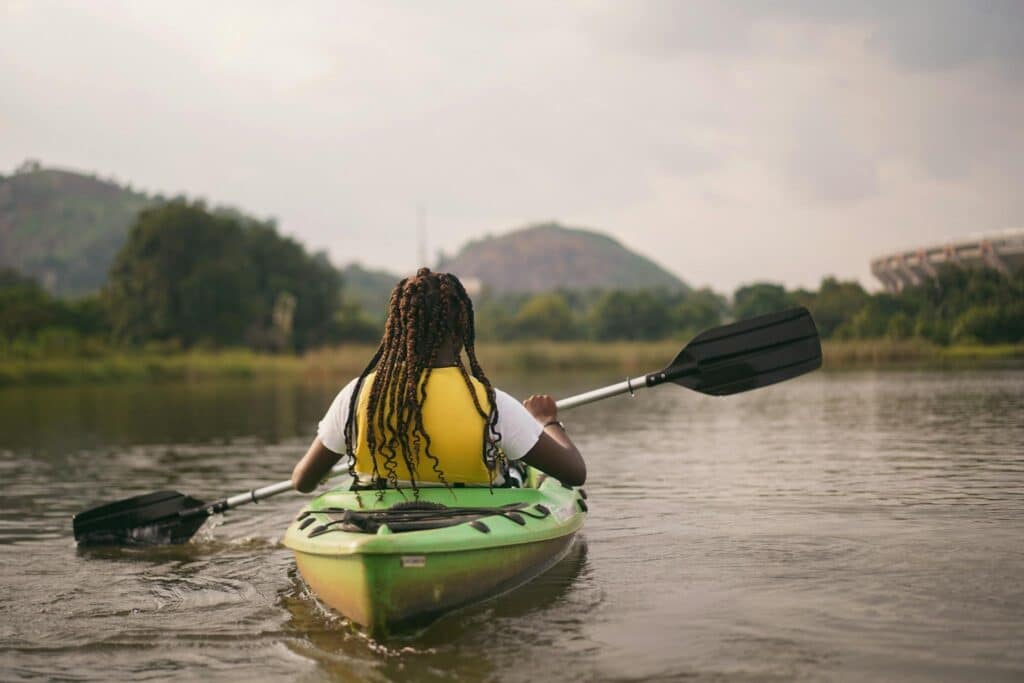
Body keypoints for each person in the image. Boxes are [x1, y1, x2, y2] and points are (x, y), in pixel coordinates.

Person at [292, 268, 585, 494]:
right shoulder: (491, 405)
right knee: (514, 467)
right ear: (462, 329)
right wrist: (546, 421)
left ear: (398, 329)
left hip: (376, 517)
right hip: (474, 521)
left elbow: (303, 481)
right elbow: (574, 473)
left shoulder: (356, 396)